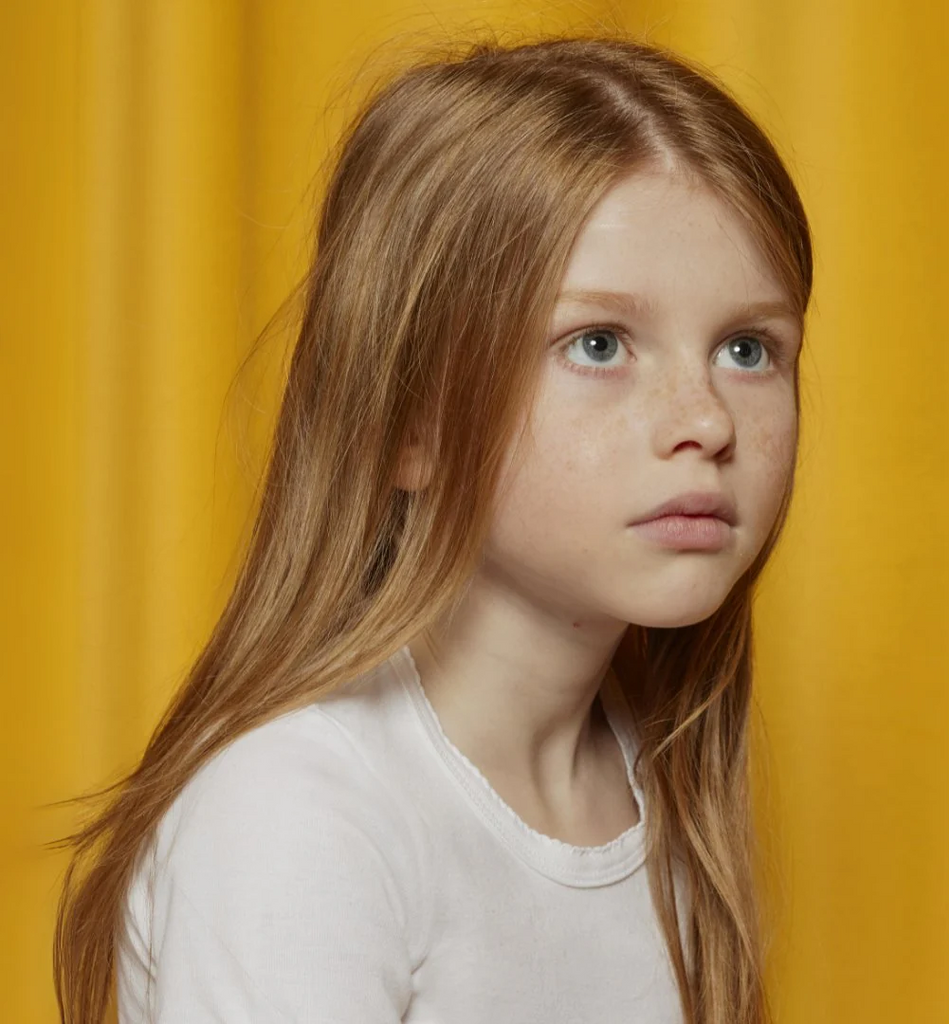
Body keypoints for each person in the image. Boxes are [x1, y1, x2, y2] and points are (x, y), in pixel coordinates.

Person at [51, 31, 812, 1024]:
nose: (706, 421)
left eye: (747, 348)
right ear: (406, 420)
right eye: (596, 342)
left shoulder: (656, 799)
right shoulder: (302, 818)